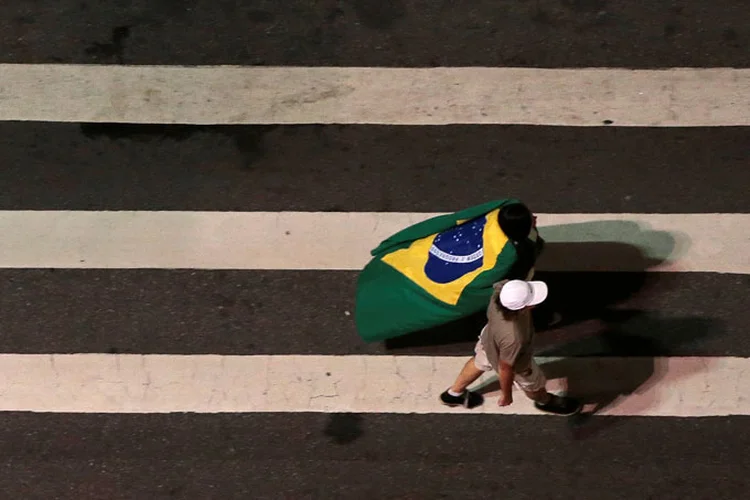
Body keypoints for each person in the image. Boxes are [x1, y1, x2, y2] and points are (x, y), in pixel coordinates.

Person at [439, 279, 582, 415]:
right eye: (531, 302)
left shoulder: (501, 292)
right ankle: (544, 401)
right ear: (522, 308)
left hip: (488, 340)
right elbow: (505, 367)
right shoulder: (514, 337)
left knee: (480, 361)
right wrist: (506, 394)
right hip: (515, 361)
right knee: (533, 385)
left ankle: (453, 393)